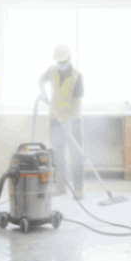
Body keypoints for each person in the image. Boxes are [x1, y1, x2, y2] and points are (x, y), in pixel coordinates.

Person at [38, 44, 85, 200]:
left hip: (74, 120)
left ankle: (78, 189)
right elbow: (40, 80)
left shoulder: (77, 76)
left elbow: (77, 103)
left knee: (76, 154)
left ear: (69, 59)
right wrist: (43, 92)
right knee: (58, 155)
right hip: (55, 118)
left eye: (63, 61)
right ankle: (60, 187)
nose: (61, 64)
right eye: (58, 61)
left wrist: (69, 121)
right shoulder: (52, 71)